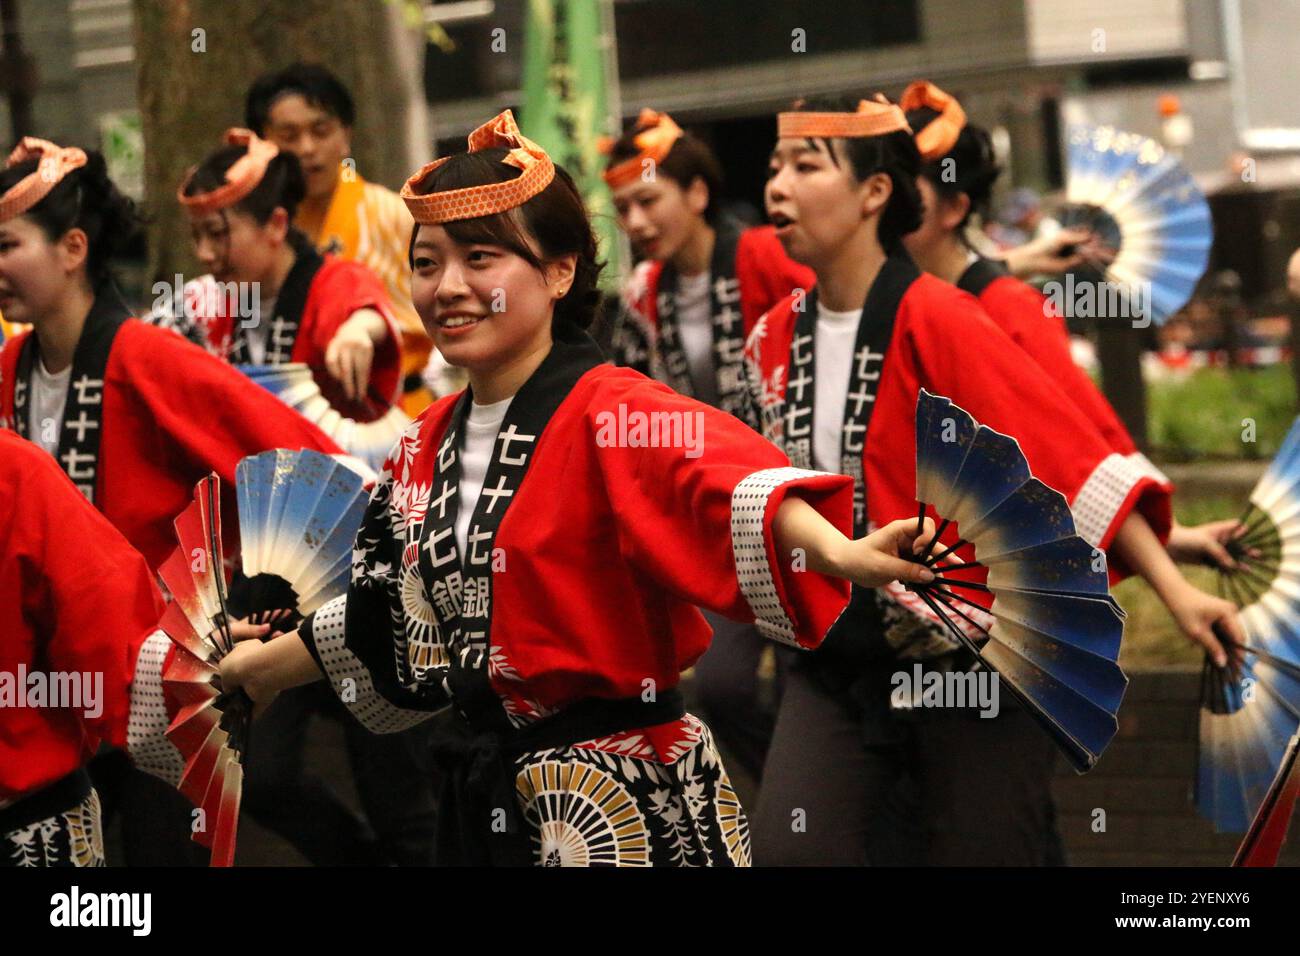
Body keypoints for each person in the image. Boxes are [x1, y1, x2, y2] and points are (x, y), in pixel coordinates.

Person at [219, 109, 939, 867]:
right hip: (485, 798)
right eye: (427, 264)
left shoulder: (614, 410)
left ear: (560, 271)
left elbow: (726, 483)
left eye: (481, 259)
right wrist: (258, 670)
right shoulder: (422, 444)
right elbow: (386, 620)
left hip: (617, 800)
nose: (449, 287)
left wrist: (841, 550)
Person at [742, 95, 1245, 866]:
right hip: (834, 663)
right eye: (776, 166)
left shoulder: (944, 317)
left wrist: (1176, 590)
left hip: (966, 662)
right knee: (791, 851)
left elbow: (1068, 457)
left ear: (877, 193)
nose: (776, 185)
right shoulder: (771, 338)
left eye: (805, 166)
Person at [0, 137, 357, 867]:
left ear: (72, 248)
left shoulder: (147, 355)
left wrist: (263, 612)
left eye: (6, 245)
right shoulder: (8, 369)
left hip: (165, 677)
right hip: (57, 689)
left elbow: (314, 468)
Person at [900, 80, 1247, 570]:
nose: (883, 205)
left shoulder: (1008, 307)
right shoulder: (882, 303)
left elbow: (1078, 458)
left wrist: (1168, 557)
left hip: (983, 576)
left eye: (902, 190)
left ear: (955, 207)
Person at [603, 108, 813, 782]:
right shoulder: (643, 294)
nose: (634, 222)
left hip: (795, 496)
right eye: (622, 208)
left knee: (802, 682)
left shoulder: (762, 255)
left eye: (647, 201)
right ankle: (793, 789)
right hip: (717, 514)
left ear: (696, 194)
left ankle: (814, 805)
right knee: (720, 687)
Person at [246, 62, 438, 413]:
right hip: (296, 418)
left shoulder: (392, 214)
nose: (307, 148)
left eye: (321, 131)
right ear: (261, 143)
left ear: (345, 135)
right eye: (289, 136)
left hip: (398, 411)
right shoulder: (258, 235)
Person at [176, 127, 403, 424]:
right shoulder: (202, 300)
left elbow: (366, 314)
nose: (204, 253)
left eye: (217, 234)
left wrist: (358, 331)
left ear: (276, 224)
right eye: (197, 236)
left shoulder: (335, 280)